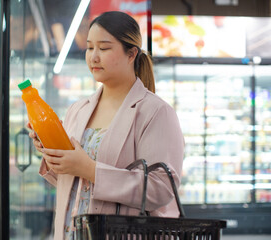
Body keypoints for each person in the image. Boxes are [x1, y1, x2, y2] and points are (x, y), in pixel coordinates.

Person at [28, 11, 184, 240]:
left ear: (131, 54)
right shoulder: (77, 109)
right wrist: (51, 153)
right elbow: (69, 183)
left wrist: (89, 169)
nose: (93, 57)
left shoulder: (155, 112)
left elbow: (161, 189)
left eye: (104, 48)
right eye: (90, 48)